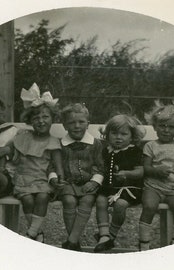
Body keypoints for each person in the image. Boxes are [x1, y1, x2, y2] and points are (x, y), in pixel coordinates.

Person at [10, 83, 64, 242]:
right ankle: (36, 233)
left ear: (53, 119)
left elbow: (58, 164)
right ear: (30, 120)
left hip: (43, 181)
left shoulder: (53, 141)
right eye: (36, 118)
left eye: (45, 117)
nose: (41, 121)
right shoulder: (24, 137)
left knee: (42, 197)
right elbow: (10, 150)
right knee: (27, 199)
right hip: (23, 179)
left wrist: (60, 179)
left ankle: (31, 233)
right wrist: (4, 152)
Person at [139, 102, 174, 251]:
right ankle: (144, 243)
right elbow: (146, 168)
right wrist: (156, 171)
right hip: (153, 187)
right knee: (149, 206)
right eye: (162, 126)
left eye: (171, 127)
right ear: (155, 126)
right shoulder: (150, 145)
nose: (166, 130)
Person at [94, 114, 145, 253]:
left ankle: (111, 235)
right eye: (114, 133)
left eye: (124, 134)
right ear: (107, 134)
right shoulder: (106, 151)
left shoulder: (134, 151)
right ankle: (103, 235)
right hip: (109, 187)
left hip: (129, 188)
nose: (118, 137)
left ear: (132, 136)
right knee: (100, 200)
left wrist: (127, 173)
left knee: (120, 205)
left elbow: (140, 172)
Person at [59, 103, 104, 251]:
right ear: (65, 125)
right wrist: (55, 178)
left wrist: (94, 181)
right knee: (68, 200)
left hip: (88, 183)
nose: (77, 126)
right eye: (71, 122)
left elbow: (100, 166)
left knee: (88, 200)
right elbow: (54, 165)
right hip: (68, 183)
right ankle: (75, 243)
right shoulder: (61, 145)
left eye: (81, 122)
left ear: (88, 124)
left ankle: (72, 241)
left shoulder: (95, 144)